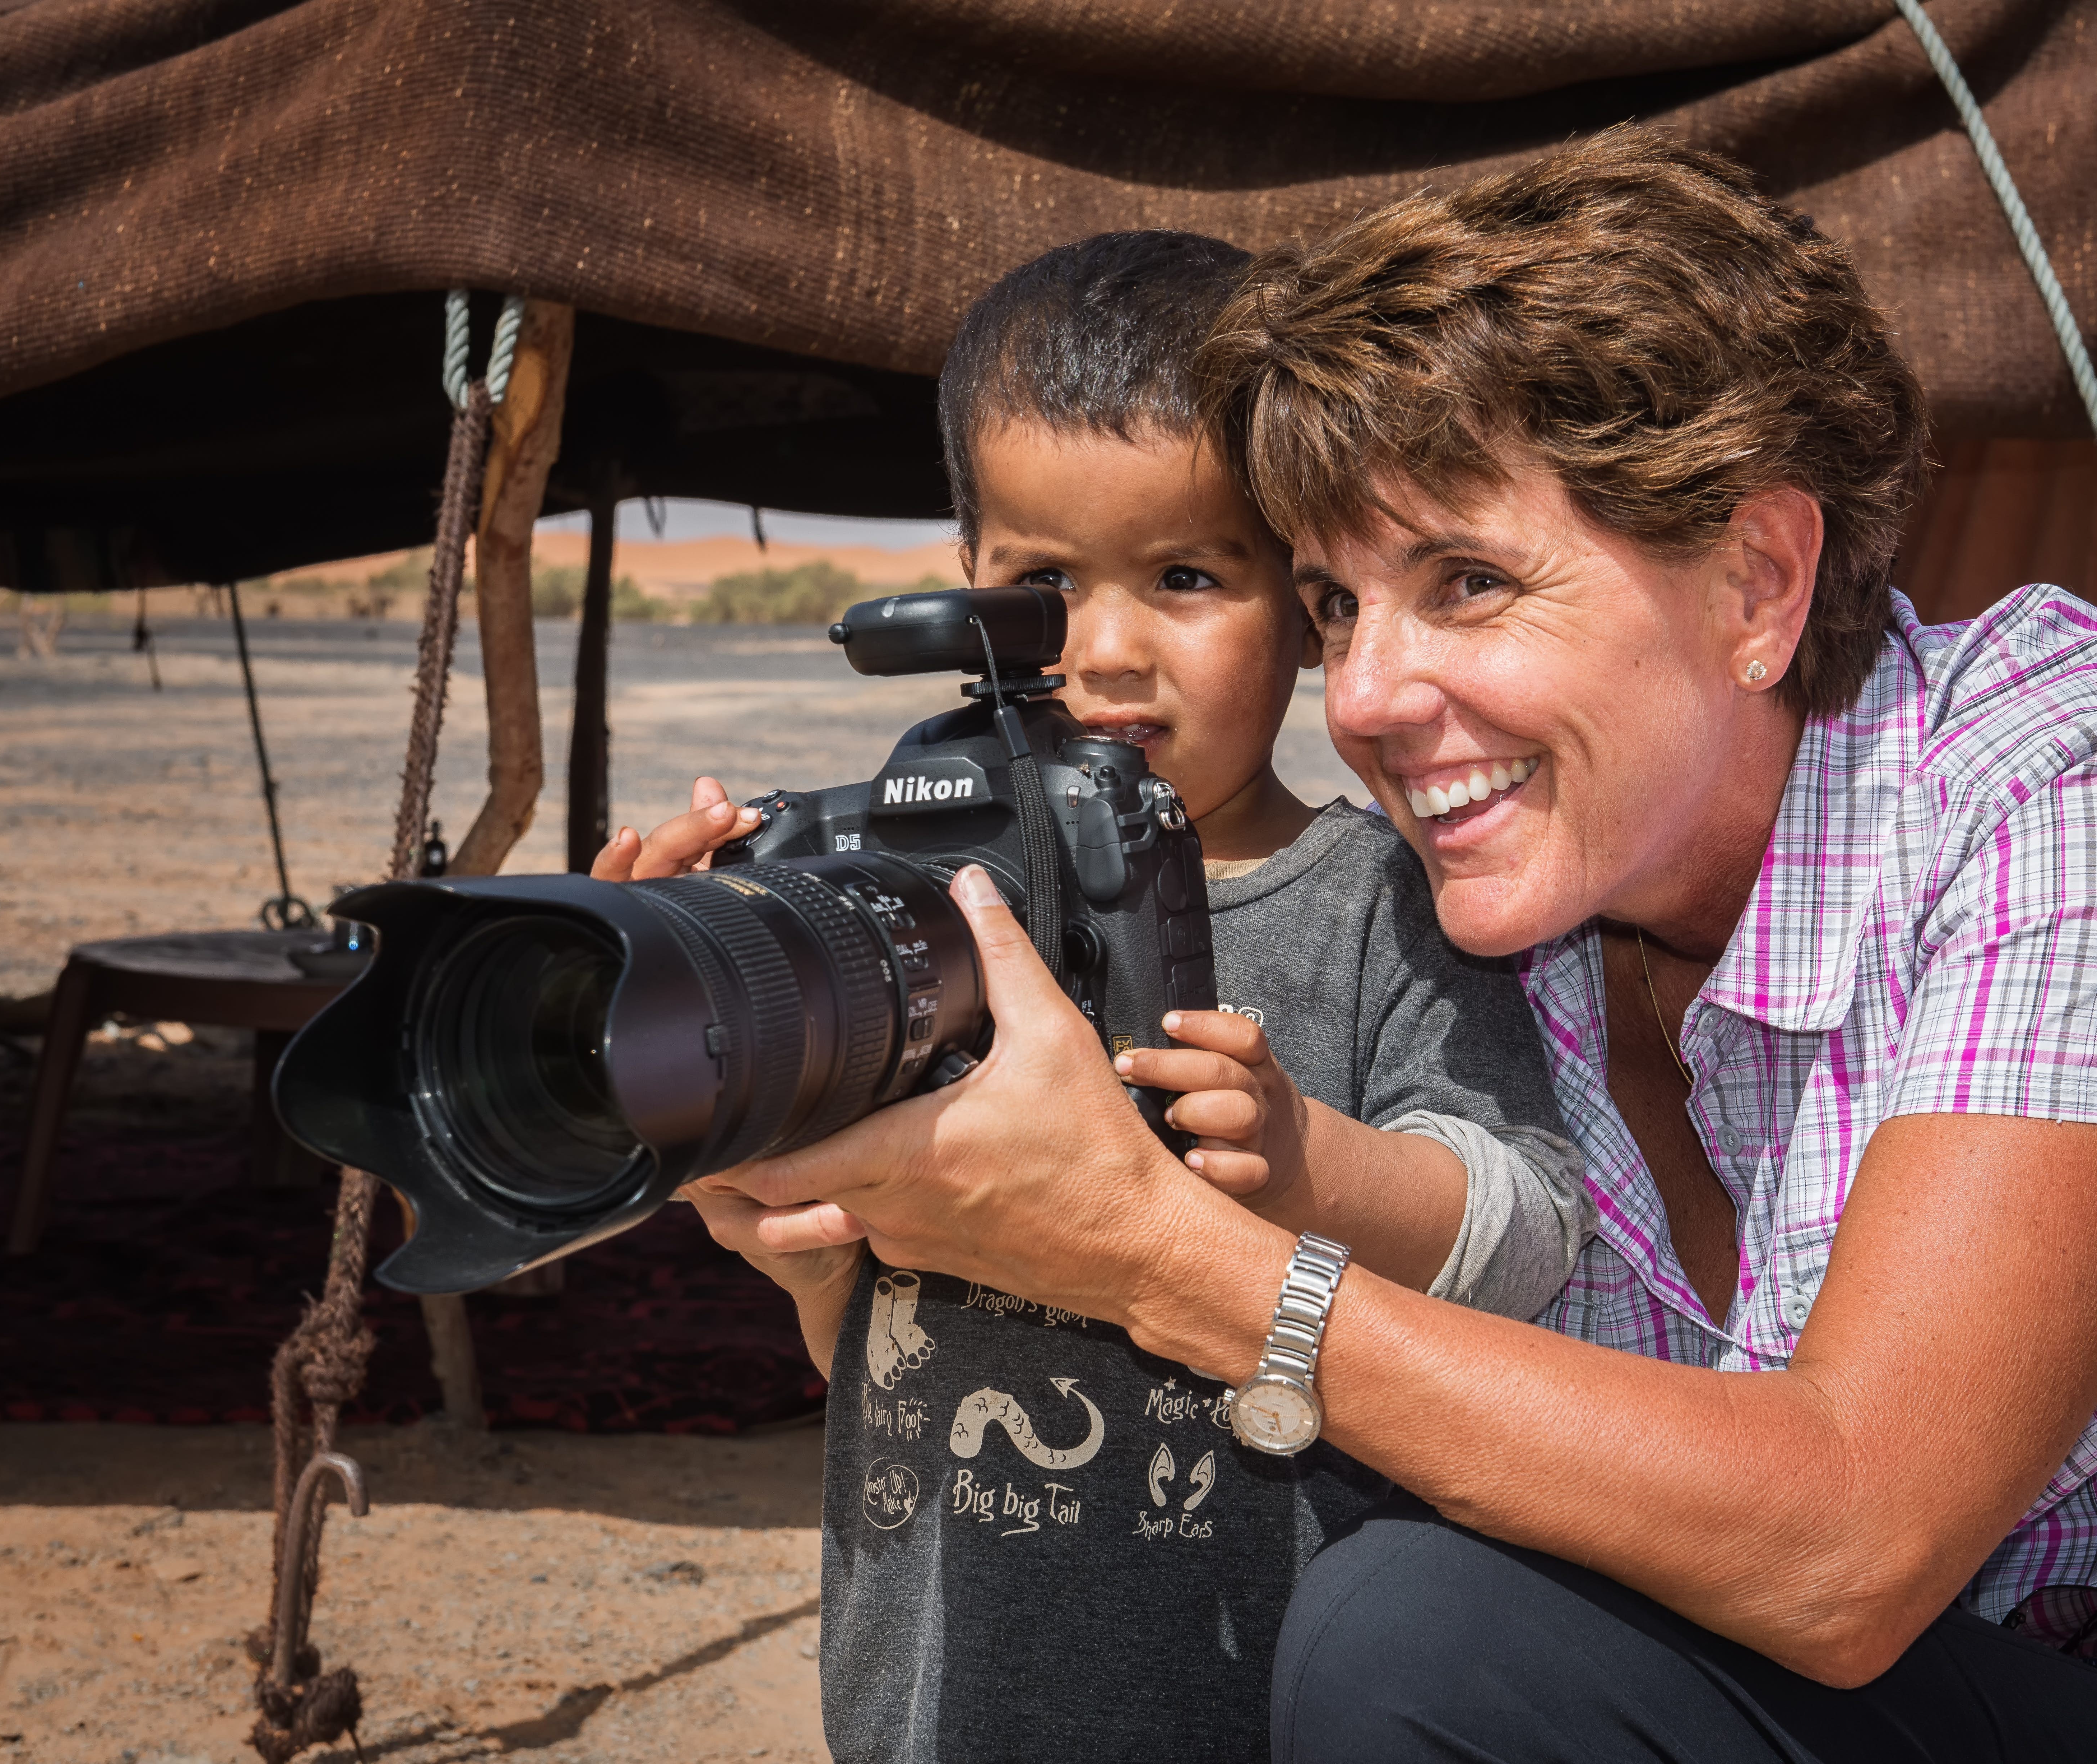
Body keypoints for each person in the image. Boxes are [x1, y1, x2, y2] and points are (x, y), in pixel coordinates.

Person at [686, 130, 2097, 1762]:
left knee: (1424, 1639)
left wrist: (1162, 1254)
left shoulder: (2074, 787)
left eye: (1469, 584)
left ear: (1756, 583)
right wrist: (855, 1203)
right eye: (1337, 604)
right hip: (1867, 1691)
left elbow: (1847, 1545)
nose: (1374, 695)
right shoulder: (1508, 925)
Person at [601, 231, 1587, 1762]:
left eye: (1186, 576)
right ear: (965, 580)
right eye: (1040, 585)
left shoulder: (1380, 900)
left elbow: (1530, 1231)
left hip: (1265, 1699)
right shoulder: (904, 911)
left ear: (1307, 602)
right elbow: (879, 1337)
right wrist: (679, 988)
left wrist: (1311, 1165)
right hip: (929, 1693)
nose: (1106, 653)